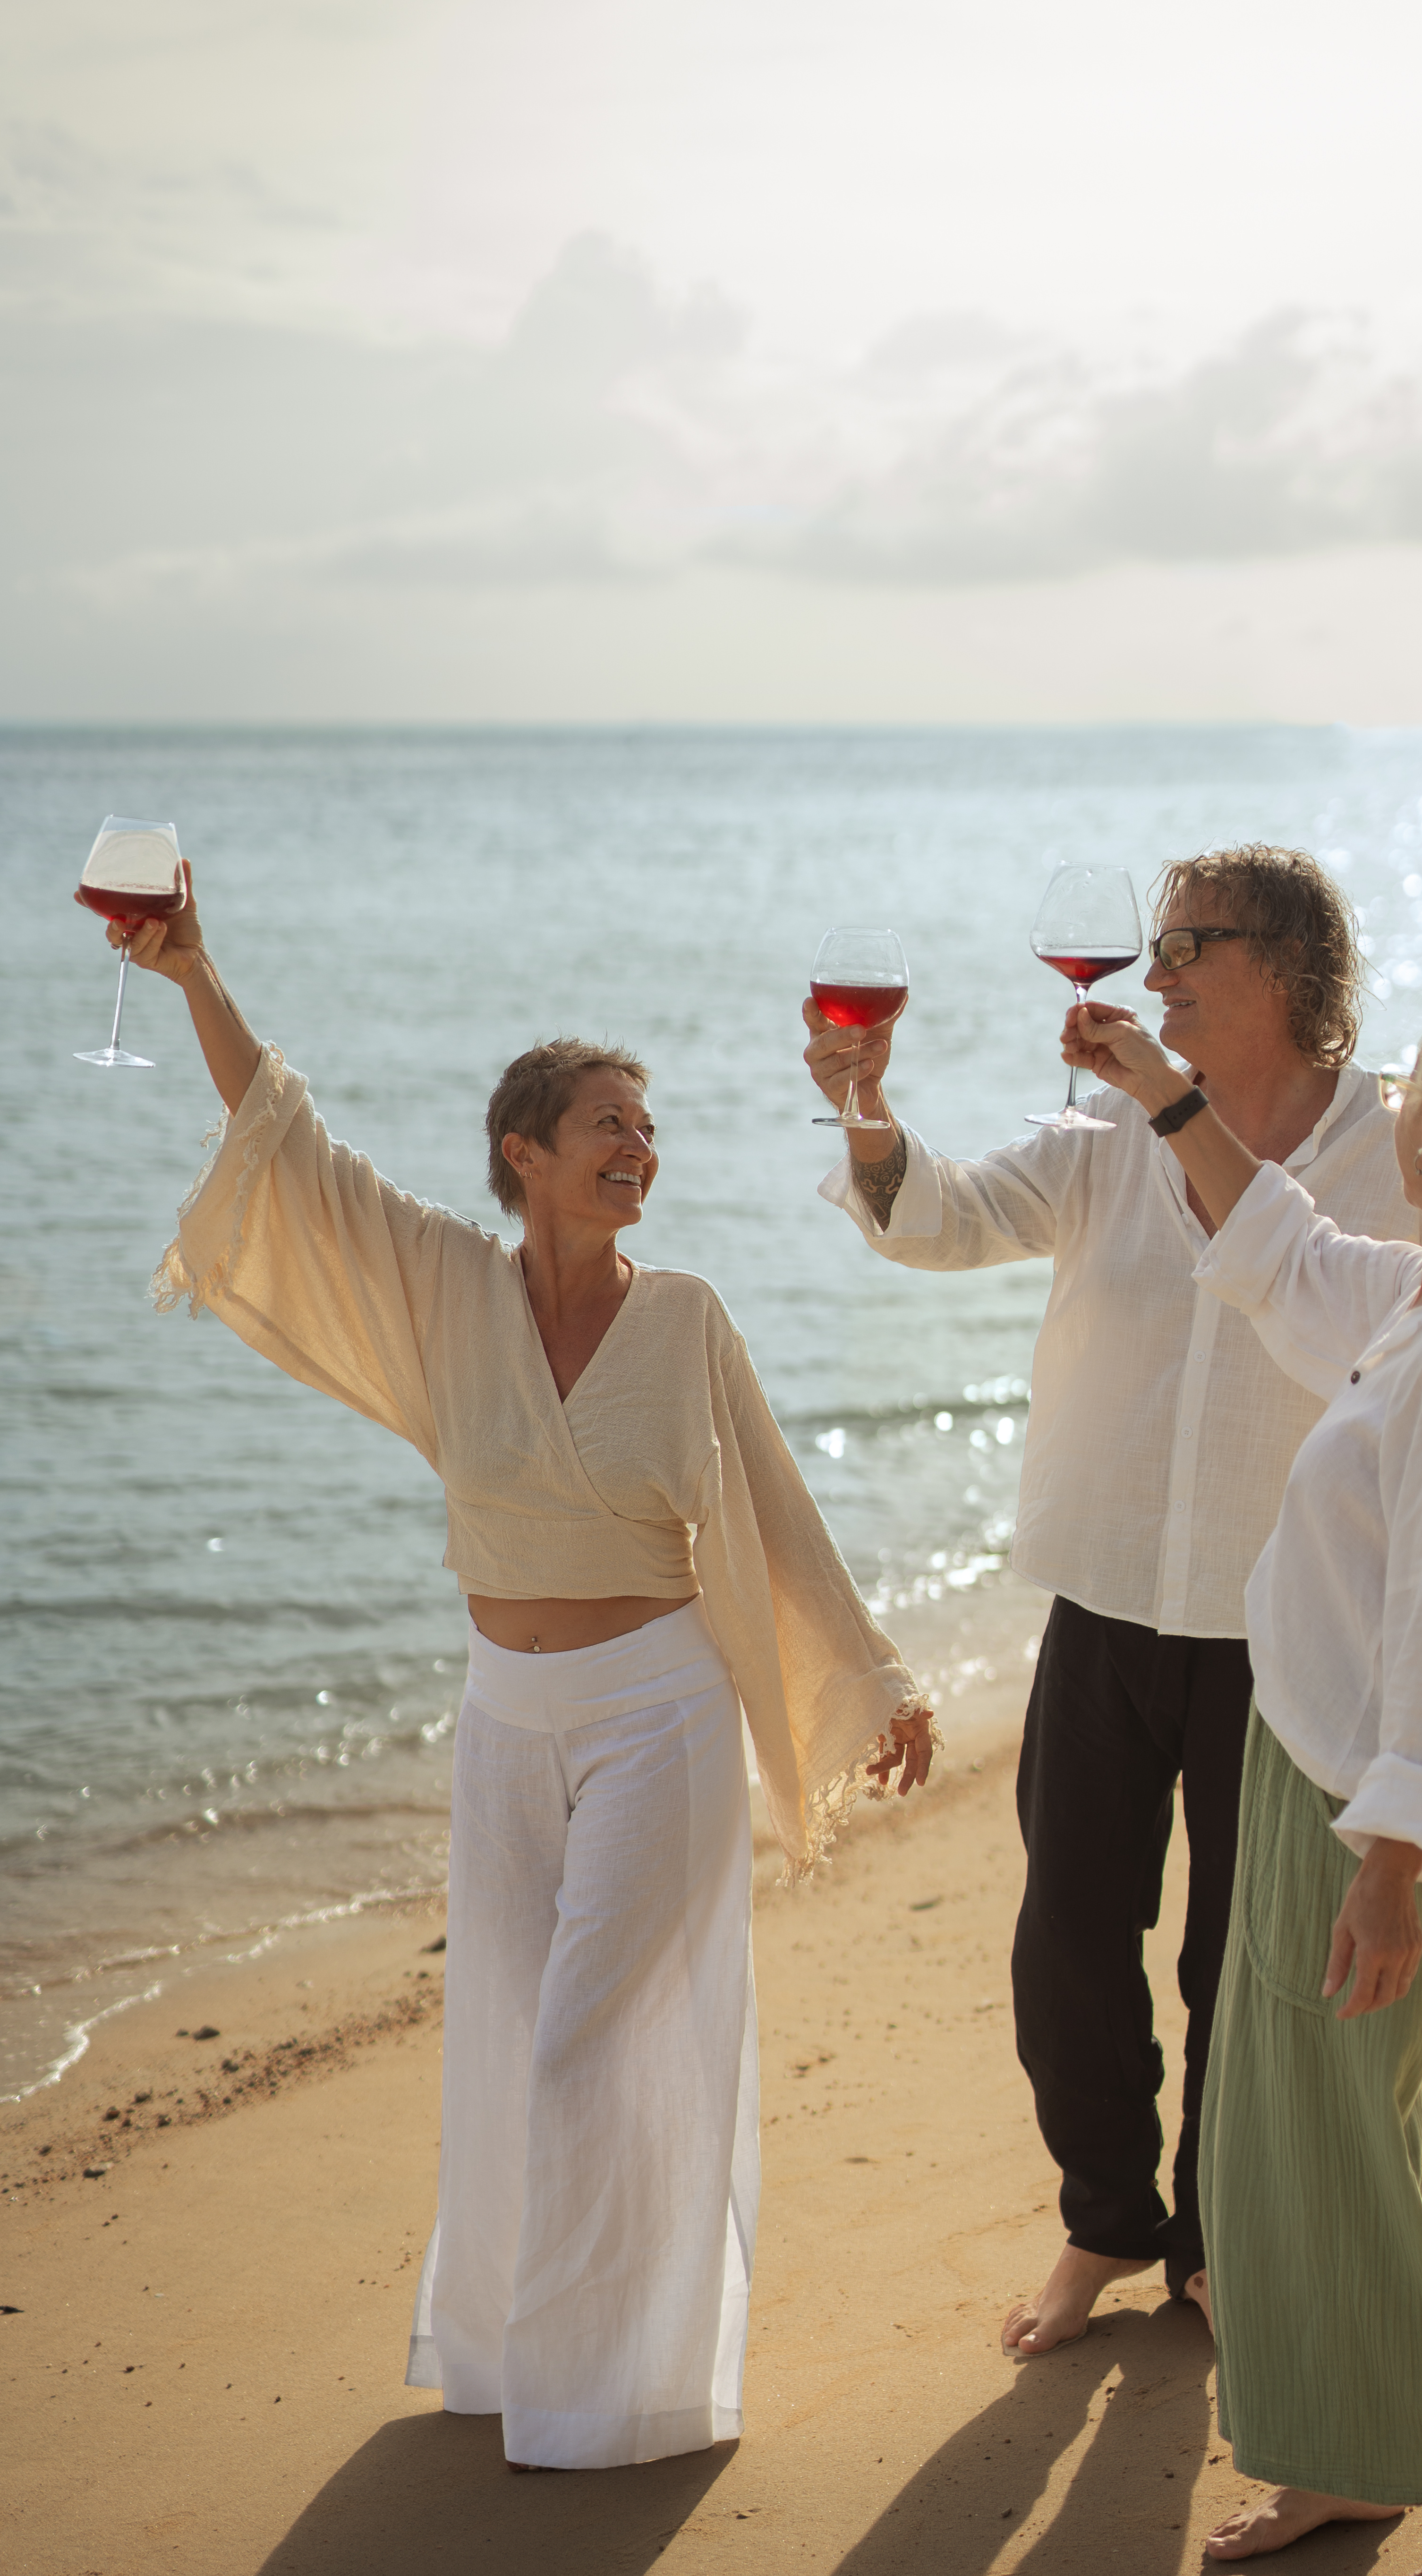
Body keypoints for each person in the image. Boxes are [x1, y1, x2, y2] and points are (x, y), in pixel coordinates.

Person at [98, 874, 936, 2474]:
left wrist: (872, 1679)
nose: (639, 1147)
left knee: (592, 2048)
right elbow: (286, 1140)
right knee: (501, 2045)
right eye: (605, 1124)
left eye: (649, 1127)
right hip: (505, 1722)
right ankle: (498, 2358)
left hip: (658, 1719)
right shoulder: (441, 1288)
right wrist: (196, 974)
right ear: (523, 1157)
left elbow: (768, 1506)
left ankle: (610, 2393)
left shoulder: (685, 1317)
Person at [803, 848, 1420, 2355]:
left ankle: (1212, 2246)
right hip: (1103, 1594)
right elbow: (932, 1219)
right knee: (1067, 1940)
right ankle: (1104, 2224)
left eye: (1185, 946)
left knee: (1241, 1957)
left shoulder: (1401, 1145)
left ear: (1281, 966)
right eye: (1151, 949)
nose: (1151, 977)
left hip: (1287, 1617)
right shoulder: (1101, 1138)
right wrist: (865, 1108)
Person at [1064, 989, 1422, 2576]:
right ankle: (1348, 2462)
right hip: (1316, 1774)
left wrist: (1384, 1872)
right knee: (1277, 2159)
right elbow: (1283, 1249)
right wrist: (1163, 1091)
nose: (1396, 1105)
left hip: (1362, 1817)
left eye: (1411, 1091)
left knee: (1344, 2172)